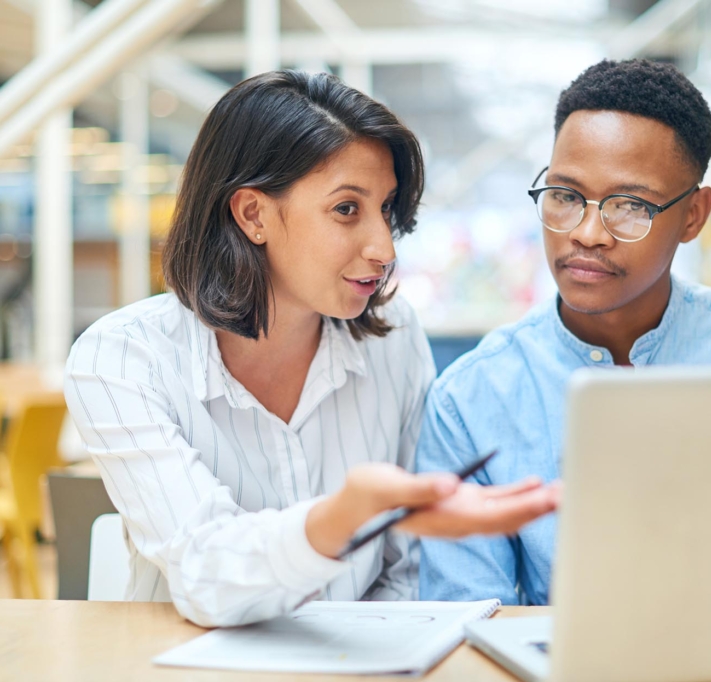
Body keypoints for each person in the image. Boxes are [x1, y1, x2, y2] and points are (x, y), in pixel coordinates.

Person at [64, 70, 558, 627]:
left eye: (387, 209)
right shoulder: (122, 360)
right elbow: (204, 572)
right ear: (253, 214)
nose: (384, 247)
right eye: (347, 209)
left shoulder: (392, 336)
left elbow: (408, 569)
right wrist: (344, 516)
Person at [416, 58, 711, 605]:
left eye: (631, 206)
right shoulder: (471, 400)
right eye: (566, 196)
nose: (588, 234)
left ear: (693, 215)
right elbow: (468, 620)